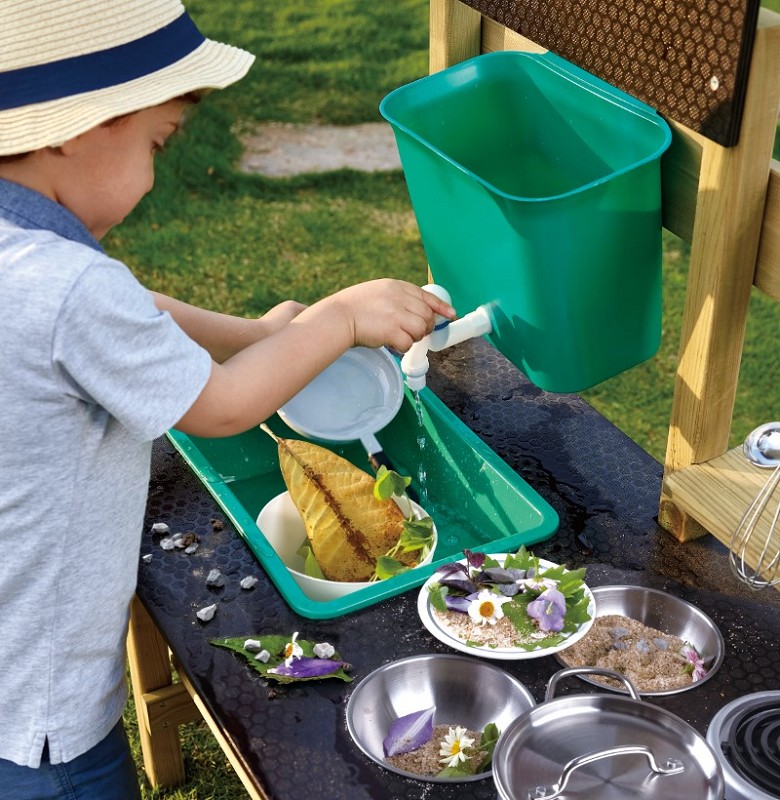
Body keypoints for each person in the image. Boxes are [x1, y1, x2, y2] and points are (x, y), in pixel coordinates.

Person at [0, 1, 455, 797]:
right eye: (157, 142)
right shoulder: (69, 286)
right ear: (74, 128)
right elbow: (219, 407)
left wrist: (252, 333)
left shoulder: (29, 256)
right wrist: (341, 318)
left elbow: (131, 307)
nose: (158, 165)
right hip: (42, 712)